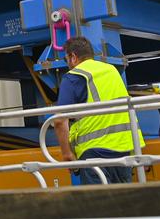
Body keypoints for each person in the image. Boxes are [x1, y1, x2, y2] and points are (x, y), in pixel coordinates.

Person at [53, 36, 141, 185]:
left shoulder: (73, 77)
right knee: (124, 203)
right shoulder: (111, 70)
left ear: (73, 57)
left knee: (97, 204)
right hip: (124, 148)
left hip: (94, 152)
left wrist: (67, 153)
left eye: (66, 59)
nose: (67, 64)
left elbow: (59, 121)